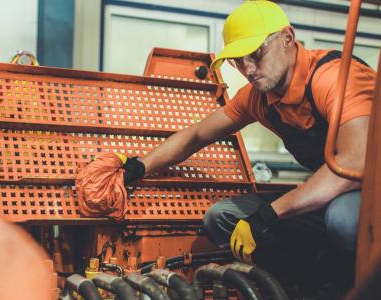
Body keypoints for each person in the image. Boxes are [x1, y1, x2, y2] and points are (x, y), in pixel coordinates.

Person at [78, 0, 375, 294]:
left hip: (367, 189)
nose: (248, 69)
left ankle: (352, 287)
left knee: (344, 220)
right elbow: (196, 135)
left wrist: (271, 213)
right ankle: (301, 287)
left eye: (256, 54)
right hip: (330, 191)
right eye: (237, 61)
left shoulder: (333, 78)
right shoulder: (259, 99)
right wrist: (139, 165)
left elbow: (351, 165)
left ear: (288, 38)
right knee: (221, 218)